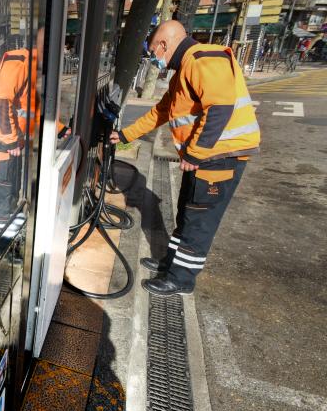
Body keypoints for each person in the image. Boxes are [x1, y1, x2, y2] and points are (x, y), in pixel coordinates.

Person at [110, 20, 260, 296]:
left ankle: (182, 280)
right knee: (187, 212)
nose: (154, 59)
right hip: (208, 158)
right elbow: (161, 111)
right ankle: (171, 264)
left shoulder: (205, 60)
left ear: (164, 45)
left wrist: (194, 153)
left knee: (200, 220)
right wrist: (126, 135)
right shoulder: (185, 70)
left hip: (220, 158)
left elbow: (220, 108)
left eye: (153, 51)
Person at [0, 47, 38, 242]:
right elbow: (2, 101)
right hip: (1, 142)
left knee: (10, 193)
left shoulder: (32, 64)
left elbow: (33, 108)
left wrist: (60, 129)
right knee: (1, 198)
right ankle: (0, 247)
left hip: (9, 142)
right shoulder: (20, 61)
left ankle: (11, 238)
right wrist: (11, 139)